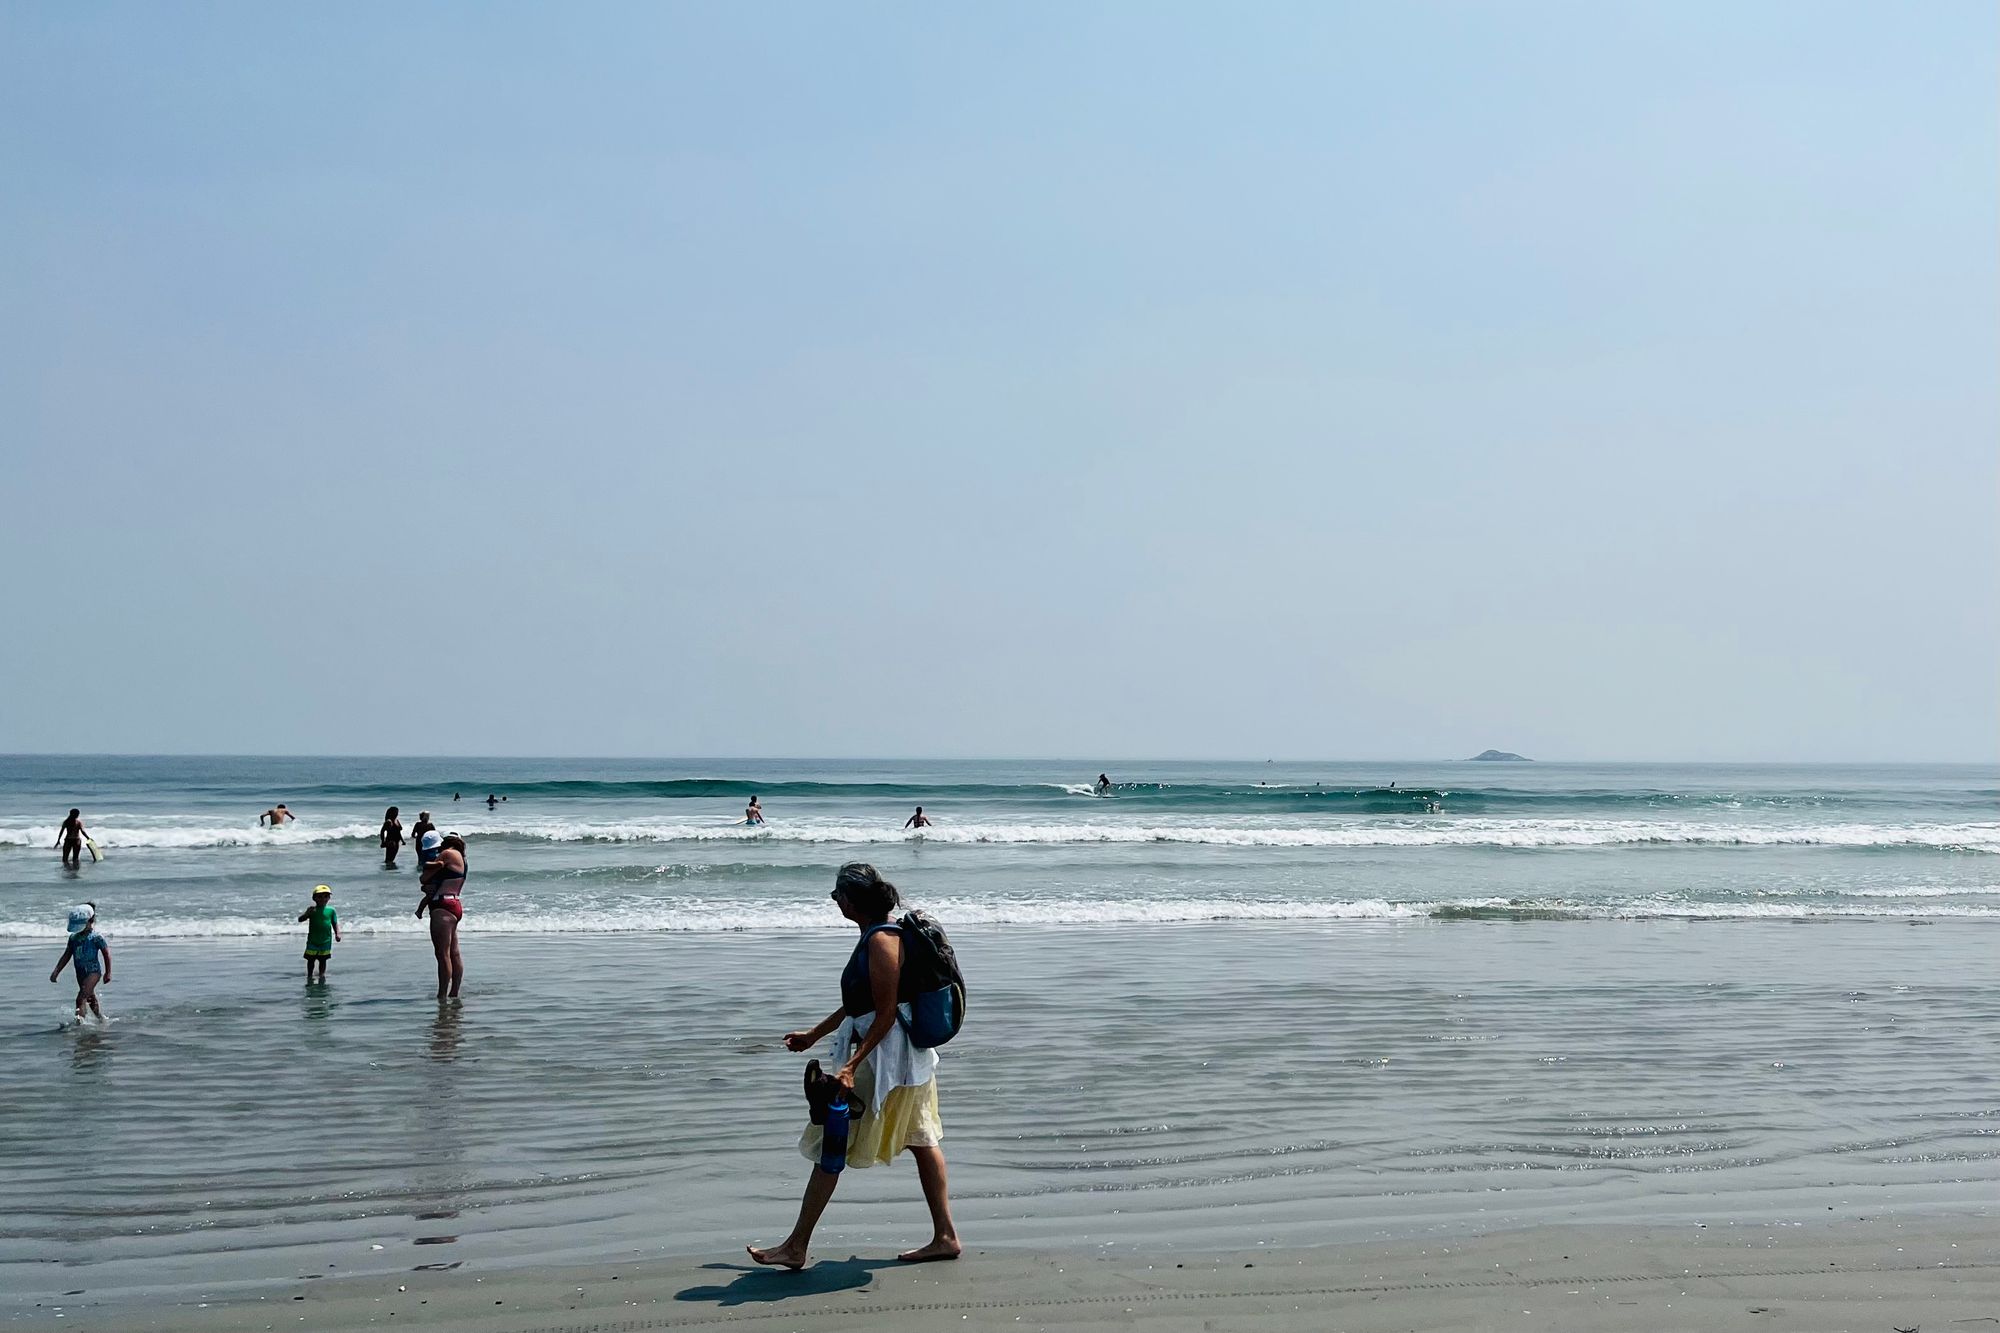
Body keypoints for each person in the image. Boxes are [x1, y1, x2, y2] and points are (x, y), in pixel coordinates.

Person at [748, 863, 959, 1270]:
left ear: (850, 900)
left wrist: (849, 1067)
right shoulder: (883, 934)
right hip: (906, 1063)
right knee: (922, 1139)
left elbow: (882, 1014)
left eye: (836, 895)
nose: (834, 901)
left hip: (886, 1062)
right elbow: (859, 1002)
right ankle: (946, 1236)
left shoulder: (881, 941)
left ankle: (795, 1246)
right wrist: (814, 1034)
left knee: (831, 1142)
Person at [416, 833, 467, 1000]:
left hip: (442, 905)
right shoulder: (462, 859)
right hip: (454, 904)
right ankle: (454, 992)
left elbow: (424, 878)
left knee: (442, 954)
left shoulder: (447, 854)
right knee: (454, 953)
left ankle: (442, 994)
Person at [49, 903, 110, 1020]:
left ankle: (79, 1025)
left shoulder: (96, 937)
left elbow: (106, 954)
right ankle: (100, 1018)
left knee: (80, 998)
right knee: (90, 996)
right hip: (80, 973)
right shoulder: (73, 938)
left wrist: (108, 973)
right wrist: (56, 971)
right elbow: (66, 955)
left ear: (90, 922)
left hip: (93, 972)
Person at [298, 885, 341, 981]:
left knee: (323, 960)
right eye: (320, 896)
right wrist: (307, 914)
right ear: (314, 898)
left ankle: (322, 975)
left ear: (329, 898)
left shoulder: (331, 910)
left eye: (326, 896)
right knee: (311, 960)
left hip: (325, 940)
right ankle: (309, 975)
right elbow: (300, 920)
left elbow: (334, 923)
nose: (323, 899)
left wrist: (338, 934)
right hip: (313, 941)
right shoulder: (312, 910)